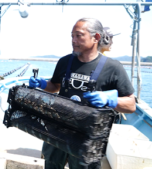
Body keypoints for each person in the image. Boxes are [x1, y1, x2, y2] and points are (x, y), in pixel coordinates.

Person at [29, 18, 136, 169]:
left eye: (78, 35)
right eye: (72, 36)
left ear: (96, 37)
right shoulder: (65, 62)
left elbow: (131, 105)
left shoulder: (113, 68)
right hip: (58, 129)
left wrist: (110, 100)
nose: (73, 40)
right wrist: (42, 84)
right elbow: (55, 86)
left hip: (88, 136)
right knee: (51, 164)